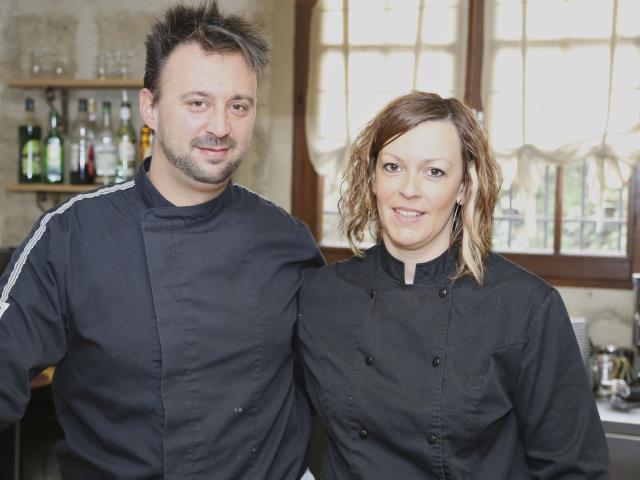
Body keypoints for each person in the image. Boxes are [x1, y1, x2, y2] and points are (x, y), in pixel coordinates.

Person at [0, 2, 323, 478]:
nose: (220, 127)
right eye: (197, 103)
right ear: (149, 107)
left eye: (239, 106)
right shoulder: (70, 235)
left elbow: (343, 382)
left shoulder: (286, 240)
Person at [296, 91, 610, 478]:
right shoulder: (321, 296)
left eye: (435, 172)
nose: (408, 188)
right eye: (392, 166)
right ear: (372, 178)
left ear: (464, 187)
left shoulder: (525, 308)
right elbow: (267, 418)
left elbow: (575, 469)